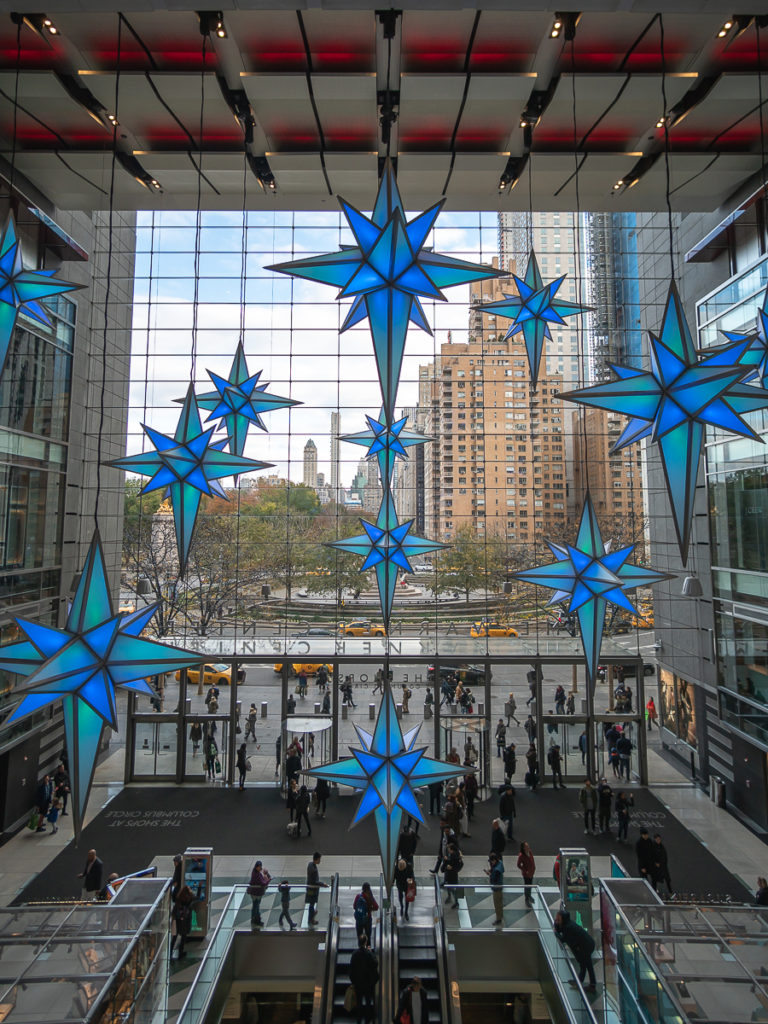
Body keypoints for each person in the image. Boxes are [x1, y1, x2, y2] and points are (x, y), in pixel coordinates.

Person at [554, 910, 597, 991]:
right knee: (584, 965)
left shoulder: (568, 927)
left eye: (558, 919)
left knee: (586, 965)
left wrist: (556, 933)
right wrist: (556, 924)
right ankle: (581, 981)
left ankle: (591, 985)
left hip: (586, 946)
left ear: (563, 919)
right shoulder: (567, 924)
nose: (557, 920)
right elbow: (560, 929)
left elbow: (563, 939)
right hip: (587, 944)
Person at [349, 934, 379, 1024]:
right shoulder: (369, 953)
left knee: (359, 1003)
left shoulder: (355, 954)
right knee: (368, 1002)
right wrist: (371, 952)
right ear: (365, 942)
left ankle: (358, 1019)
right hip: (368, 984)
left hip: (358, 984)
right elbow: (375, 963)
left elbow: (351, 969)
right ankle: (367, 1020)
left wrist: (353, 981)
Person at [170, 884, 201, 958]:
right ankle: (181, 953)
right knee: (183, 937)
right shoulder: (189, 899)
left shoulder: (178, 898)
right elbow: (198, 897)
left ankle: (170, 953)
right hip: (185, 920)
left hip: (178, 920)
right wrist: (199, 887)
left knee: (174, 937)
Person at [306, 852, 328, 924]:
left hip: (309, 887)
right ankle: (311, 919)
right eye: (319, 859)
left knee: (312, 903)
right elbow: (315, 882)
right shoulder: (314, 870)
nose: (320, 861)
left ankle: (312, 913)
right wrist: (323, 884)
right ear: (317, 859)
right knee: (312, 903)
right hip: (313, 888)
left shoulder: (310, 864)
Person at [248, 860, 271, 928]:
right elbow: (262, 883)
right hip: (256, 893)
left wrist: (265, 874)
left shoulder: (255, 872)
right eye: (259, 866)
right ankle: (256, 920)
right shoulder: (256, 874)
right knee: (256, 907)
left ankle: (255, 919)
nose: (260, 868)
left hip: (256, 893)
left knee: (256, 906)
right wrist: (268, 880)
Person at [441, 842, 463, 908]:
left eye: (449, 849)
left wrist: (451, 867)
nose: (448, 850)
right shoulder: (451, 854)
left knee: (453, 888)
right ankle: (450, 897)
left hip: (452, 875)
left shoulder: (455, 856)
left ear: (452, 849)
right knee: (448, 886)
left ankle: (456, 902)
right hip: (448, 873)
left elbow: (458, 865)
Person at [485, 852, 505, 924]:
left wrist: (490, 874)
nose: (491, 863)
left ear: (494, 860)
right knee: (500, 903)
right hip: (500, 886)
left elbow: (494, 878)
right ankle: (500, 915)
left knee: (497, 904)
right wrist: (491, 871)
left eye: (491, 861)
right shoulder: (500, 863)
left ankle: (498, 918)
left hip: (496, 888)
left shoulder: (497, 870)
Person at [517, 840, 536, 906]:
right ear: (523, 848)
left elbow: (532, 860)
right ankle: (527, 899)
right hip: (526, 874)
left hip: (531, 872)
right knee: (527, 886)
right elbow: (518, 865)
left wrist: (533, 868)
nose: (528, 847)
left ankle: (529, 896)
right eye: (526, 846)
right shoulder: (521, 856)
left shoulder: (530, 852)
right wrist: (525, 870)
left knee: (530, 885)